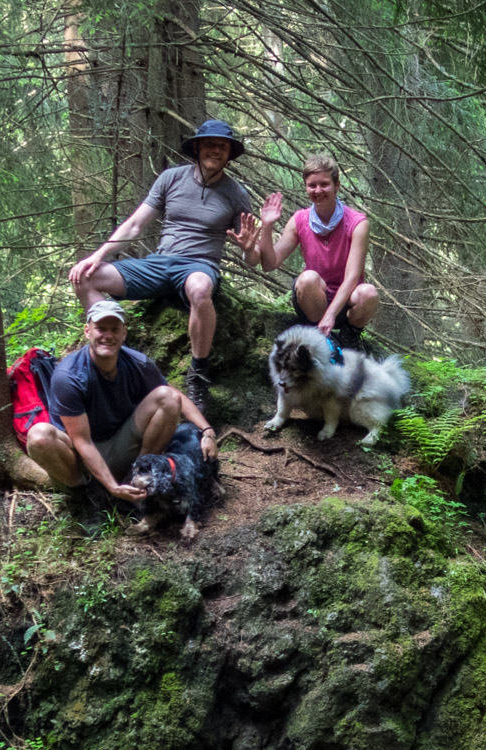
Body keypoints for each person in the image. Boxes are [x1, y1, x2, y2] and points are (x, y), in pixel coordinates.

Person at [67, 119, 265, 408]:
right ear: (197, 147)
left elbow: (253, 260)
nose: (216, 151)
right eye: (210, 144)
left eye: (223, 147)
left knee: (199, 289)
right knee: (86, 278)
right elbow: (135, 225)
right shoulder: (171, 178)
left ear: (229, 154)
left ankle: (198, 374)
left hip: (200, 265)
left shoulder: (237, 194)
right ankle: (111, 354)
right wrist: (97, 256)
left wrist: (249, 248)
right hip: (159, 263)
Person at [25, 300, 217, 501]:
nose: (108, 336)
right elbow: (82, 441)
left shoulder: (137, 363)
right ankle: (87, 495)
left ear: (124, 333)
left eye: (115, 329)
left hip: (121, 446)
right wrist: (111, 487)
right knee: (39, 436)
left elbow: (174, 395)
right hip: (79, 457)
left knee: (167, 398)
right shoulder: (68, 376)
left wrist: (207, 430)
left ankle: (137, 478)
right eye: (101, 329)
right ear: (87, 331)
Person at [251, 152, 381, 349]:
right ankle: (318, 335)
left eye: (324, 184)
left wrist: (331, 315)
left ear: (337, 185)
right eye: (312, 185)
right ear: (306, 187)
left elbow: (352, 277)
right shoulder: (299, 220)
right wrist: (267, 226)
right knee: (308, 278)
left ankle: (350, 336)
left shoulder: (357, 223)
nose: (318, 190)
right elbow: (270, 263)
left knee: (369, 293)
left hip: (346, 300)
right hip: (314, 299)